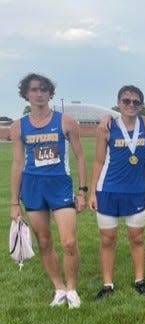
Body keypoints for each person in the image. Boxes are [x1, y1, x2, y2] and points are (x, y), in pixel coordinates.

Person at [10, 73, 86, 308]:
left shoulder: (66, 121)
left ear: (49, 93)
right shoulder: (18, 126)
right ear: (26, 94)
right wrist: (14, 202)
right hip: (33, 188)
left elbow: (80, 156)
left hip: (60, 186)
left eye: (43, 89)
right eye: (34, 89)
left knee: (69, 242)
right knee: (44, 241)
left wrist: (82, 191)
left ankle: (72, 288)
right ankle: (59, 288)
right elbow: (17, 164)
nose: (39, 94)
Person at [89, 85, 145, 300]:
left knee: (137, 238)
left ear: (141, 105)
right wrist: (92, 192)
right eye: (126, 101)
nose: (131, 105)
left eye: (136, 102)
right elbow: (98, 160)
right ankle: (107, 284)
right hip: (108, 190)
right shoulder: (107, 126)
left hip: (136, 191)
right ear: (119, 102)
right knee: (107, 239)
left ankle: (139, 280)